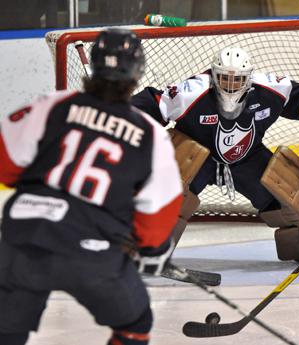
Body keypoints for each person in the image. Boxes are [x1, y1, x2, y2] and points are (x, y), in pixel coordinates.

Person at [0, 28, 183, 345]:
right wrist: (151, 249)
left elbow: (5, 162)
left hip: (24, 241)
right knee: (135, 324)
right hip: (92, 255)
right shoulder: (151, 135)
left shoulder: (52, 104)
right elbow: (157, 221)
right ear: (137, 74)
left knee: (6, 327)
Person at [132, 46, 299, 262]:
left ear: (249, 77)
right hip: (198, 157)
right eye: (224, 78)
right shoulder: (192, 91)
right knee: (171, 194)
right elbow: (154, 103)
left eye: (238, 79)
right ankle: (140, 247)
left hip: (247, 158)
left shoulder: (269, 88)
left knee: (289, 200)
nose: (231, 85)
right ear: (214, 75)